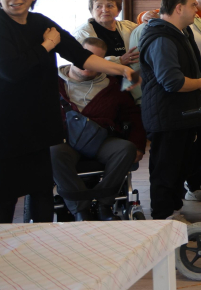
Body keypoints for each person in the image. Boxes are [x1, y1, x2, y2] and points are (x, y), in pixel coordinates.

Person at [0, 0, 137, 225]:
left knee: (42, 192)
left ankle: (42, 245)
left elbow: (81, 56)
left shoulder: (41, 23)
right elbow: (12, 70)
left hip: (39, 124)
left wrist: (120, 69)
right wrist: (47, 45)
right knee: (4, 199)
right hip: (2, 127)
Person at [139, 0, 201, 222]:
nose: (197, 10)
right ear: (179, 8)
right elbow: (172, 81)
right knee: (166, 169)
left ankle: (173, 210)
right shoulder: (162, 38)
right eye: (193, 5)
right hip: (167, 115)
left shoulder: (180, 33)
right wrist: (200, 83)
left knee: (178, 166)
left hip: (180, 113)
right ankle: (164, 217)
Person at [51, 37, 145, 221]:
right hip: (65, 141)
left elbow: (133, 115)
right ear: (75, 55)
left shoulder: (112, 85)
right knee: (52, 152)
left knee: (126, 148)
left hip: (102, 139)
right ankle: (81, 209)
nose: (88, 66)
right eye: (86, 58)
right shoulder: (52, 83)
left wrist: (138, 144)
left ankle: (104, 204)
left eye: (95, 61)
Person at [74, 0, 138, 66]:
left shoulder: (128, 26)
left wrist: (143, 16)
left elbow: (145, 29)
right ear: (91, 11)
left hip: (129, 72)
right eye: (98, 6)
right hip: (99, 74)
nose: (105, 10)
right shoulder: (82, 33)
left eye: (110, 6)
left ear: (118, 11)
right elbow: (85, 61)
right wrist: (119, 60)